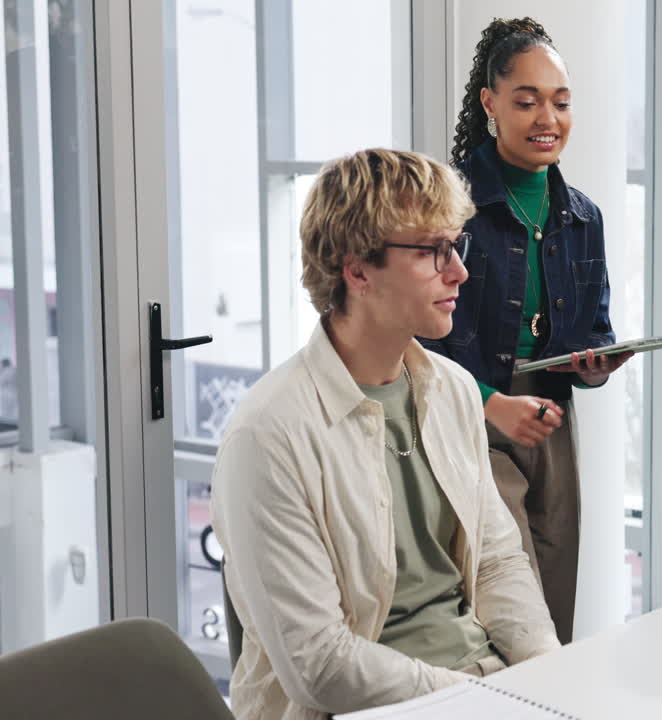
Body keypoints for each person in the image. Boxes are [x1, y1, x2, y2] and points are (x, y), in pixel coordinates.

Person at [211, 149, 560, 720]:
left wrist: (547, 678)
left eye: (456, 246)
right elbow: (321, 665)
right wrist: (477, 698)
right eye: (433, 251)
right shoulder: (266, 437)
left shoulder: (448, 389)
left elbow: (496, 560)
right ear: (356, 270)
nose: (460, 271)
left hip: (478, 689)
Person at [425, 17, 628, 645]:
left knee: (555, 603)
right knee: (506, 612)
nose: (548, 117)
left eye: (561, 102)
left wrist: (592, 364)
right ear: (490, 104)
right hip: (468, 419)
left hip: (550, 417)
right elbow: (424, 345)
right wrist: (490, 404)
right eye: (528, 100)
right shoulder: (448, 205)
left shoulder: (583, 215)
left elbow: (592, 326)